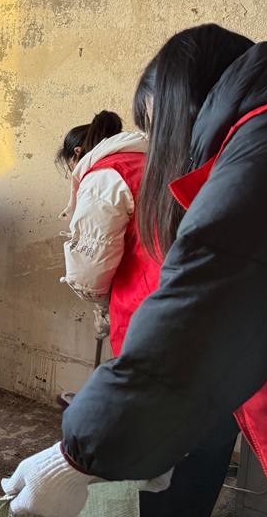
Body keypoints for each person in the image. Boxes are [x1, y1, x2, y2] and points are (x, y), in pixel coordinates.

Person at [1, 22, 267, 517]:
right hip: (187, 341)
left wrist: (73, 457)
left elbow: (110, 273)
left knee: (166, 477)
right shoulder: (261, 131)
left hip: (157, 324)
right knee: (202, 444)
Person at [56, 109, 159, 362]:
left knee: (139, 376)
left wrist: (101, 304)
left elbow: (89, 270)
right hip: (174, 286)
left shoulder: (105, 176)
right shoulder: (150, 160)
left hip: (140, 299)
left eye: (69, 167)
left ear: (77, 153)